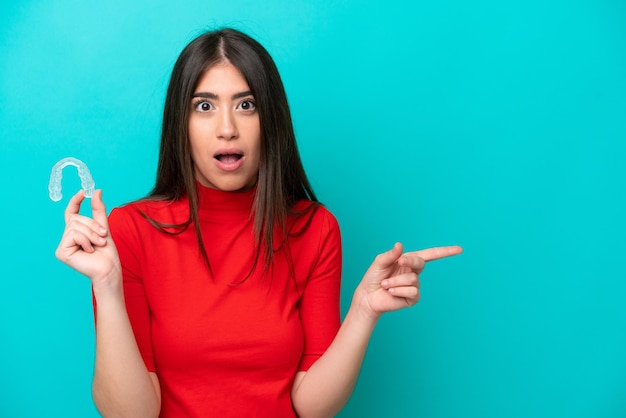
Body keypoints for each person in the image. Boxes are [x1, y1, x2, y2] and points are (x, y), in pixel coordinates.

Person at [56, 28, 462, 417]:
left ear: (271, 120)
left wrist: (363, 311)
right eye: (205, 105)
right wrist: (106, 288)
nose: (228, 128)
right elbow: (130, 414)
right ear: (180, 123)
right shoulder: (129, 231)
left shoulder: (315, 229)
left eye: (246, 105)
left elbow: (311, 406)